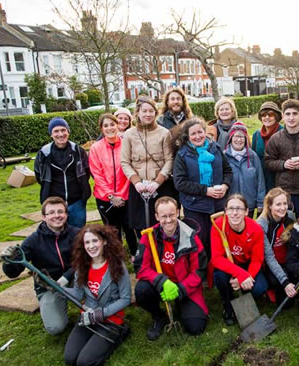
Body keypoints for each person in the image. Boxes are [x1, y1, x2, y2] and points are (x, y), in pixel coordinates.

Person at [0, 197, 78, 335]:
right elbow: (13, 273)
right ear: (43, 217)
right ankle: (56, 303)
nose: (57, 216)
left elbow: (85, 260)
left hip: (75, 278)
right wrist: (8, 263)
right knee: (55, 328)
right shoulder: (33, 241)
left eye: (60, 211)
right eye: (51, 212)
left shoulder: (76, 234)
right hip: (49, 286)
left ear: (66, 214)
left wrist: (66, 278)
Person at [134, 196, 208, 340]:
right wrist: (161, 281)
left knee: (196, 327)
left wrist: (180, 290)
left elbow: (199, 271)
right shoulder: (148, 236)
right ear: (156, 216)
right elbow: (140, 267)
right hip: (161, 285)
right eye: (164, 216)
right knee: (141, 290)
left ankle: (180, 305)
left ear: (178, 212)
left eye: (171, 215)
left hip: (185, 286)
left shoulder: (191, 236)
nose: (168, 220)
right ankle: (159, 317)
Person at [62, 224, 131, 366]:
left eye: (95, 241)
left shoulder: (117, 266)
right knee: (69, 359)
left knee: (84, 363)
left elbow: (125, 299)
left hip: (111, 320)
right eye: (87, 242)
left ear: (104, 241)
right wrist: (58, 289)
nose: (91, 246)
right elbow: (78, 294)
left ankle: (121, 332)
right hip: (88, 317)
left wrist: (102, 313)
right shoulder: (82, 266)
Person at [173, 117, 233, 268]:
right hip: (195, 206)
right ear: (187, 136)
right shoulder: (182, 155)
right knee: (201, 239)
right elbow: (180, 182)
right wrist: (206, 191)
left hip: (218, 203)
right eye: (193, 134)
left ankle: (220, 269)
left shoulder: (216, 148)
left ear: (205, 132)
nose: (197, 136)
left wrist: (225, 185)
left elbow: (228, 170)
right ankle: (202, 272)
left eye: (200, 132)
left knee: (220, 238)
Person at [121, 97, 174, 237]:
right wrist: (136, 182)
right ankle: (145, 253)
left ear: (156, 113)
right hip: (139, 187)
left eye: (151, 111)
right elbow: (125, 162)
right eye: (144, 111)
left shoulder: (164, 133)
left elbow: (169, 160)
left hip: (159, 186)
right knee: (140, 224)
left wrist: (158, 181)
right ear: (138, 112)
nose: (148, 114)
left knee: (163, 223)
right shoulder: (129, 135)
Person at [211, 194, 268, 325]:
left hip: (247, 264)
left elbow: (257, 259)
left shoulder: (255, 229)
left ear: (247, 211)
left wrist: (247, 276)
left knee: (260, 288)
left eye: (239, 209)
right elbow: (216, 258)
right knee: (219, 276)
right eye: (231, 208)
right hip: (228, 265)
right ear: (225, 211)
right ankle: (228, 305)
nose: (235, 213)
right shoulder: (218, 225)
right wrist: (240, 275)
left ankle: (246, 298)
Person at [88, 113, 137, 255]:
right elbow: (97, 174)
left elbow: (130, 169)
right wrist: (111, 196)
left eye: (112, 124)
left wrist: (123, 195)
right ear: (102, 129)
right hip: (105, 198)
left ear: (117, 126)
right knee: (112, 232)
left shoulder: (125, 144)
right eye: (106, 125)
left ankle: (135, 257)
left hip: (126, 196)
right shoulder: (96, 148)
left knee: (129, 228)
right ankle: (117, 259)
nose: (110, 128)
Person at [34, 117, 91, 228]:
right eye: (56, 131)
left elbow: (86, 171)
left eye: (63, 130)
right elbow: (39, 176)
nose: (60, 134)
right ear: (51, 134)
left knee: (78, 234)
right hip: (54, 204)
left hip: (77, 202)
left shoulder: (78, 151)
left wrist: (83, 195)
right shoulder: (44, 154)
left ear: (68, 132)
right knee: (57, 234)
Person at [264, 99, 299, 217]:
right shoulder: (276, 138)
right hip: (284, 191)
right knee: (286, 228)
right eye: (288, 114)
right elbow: (268, 161)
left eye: (295, 114)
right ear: (282, 116)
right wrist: (283, 164)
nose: (291, 118)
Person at [256, 188, 298, 305]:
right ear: (269, 206)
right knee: (280, 290)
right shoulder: (262, 225)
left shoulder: (289, 217)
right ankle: (270, 286)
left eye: (285, 203)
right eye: (278, 204)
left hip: (287, 261)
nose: (283, 207)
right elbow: (269, 256)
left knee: (291, 300)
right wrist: (284, 281)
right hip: (271, 264)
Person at [224, 122, 265, 217]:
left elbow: (260, 180)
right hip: (231, 206)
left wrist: (260, 202)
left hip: (248, 204)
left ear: (246, 139)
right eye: (236, 136)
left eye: (242, 137)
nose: (239, 140)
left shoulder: (253, 156)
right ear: (231, 138)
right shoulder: (224, 156)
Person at [251, 101, 284, 192]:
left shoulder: (284, 133)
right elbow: (253, 158)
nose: (267, 117)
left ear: (276, 116)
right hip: (263, 178)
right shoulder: (256, 135)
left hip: (280, 178)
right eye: (263, 115)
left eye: (270, 114)